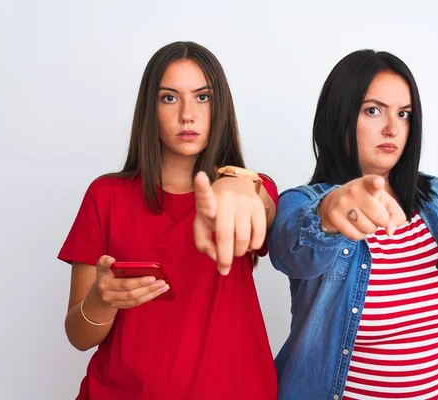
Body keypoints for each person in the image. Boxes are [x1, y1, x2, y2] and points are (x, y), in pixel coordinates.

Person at [268, 49, 438, 400]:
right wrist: (333, 211)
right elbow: (291, 252)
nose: (393, 128)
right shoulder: (304, 205)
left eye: (404, 114)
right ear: (340, 116)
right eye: (373, 110)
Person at [58, 41, 278, 400]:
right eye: (169, 98)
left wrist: (243, 184)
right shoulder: (105, 195)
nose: (187, 114)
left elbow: (263, 206)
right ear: (150, 108)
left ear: (220, 106)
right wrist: (101, 299)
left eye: (203, 97)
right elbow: (78, 337)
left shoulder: (251, 188)